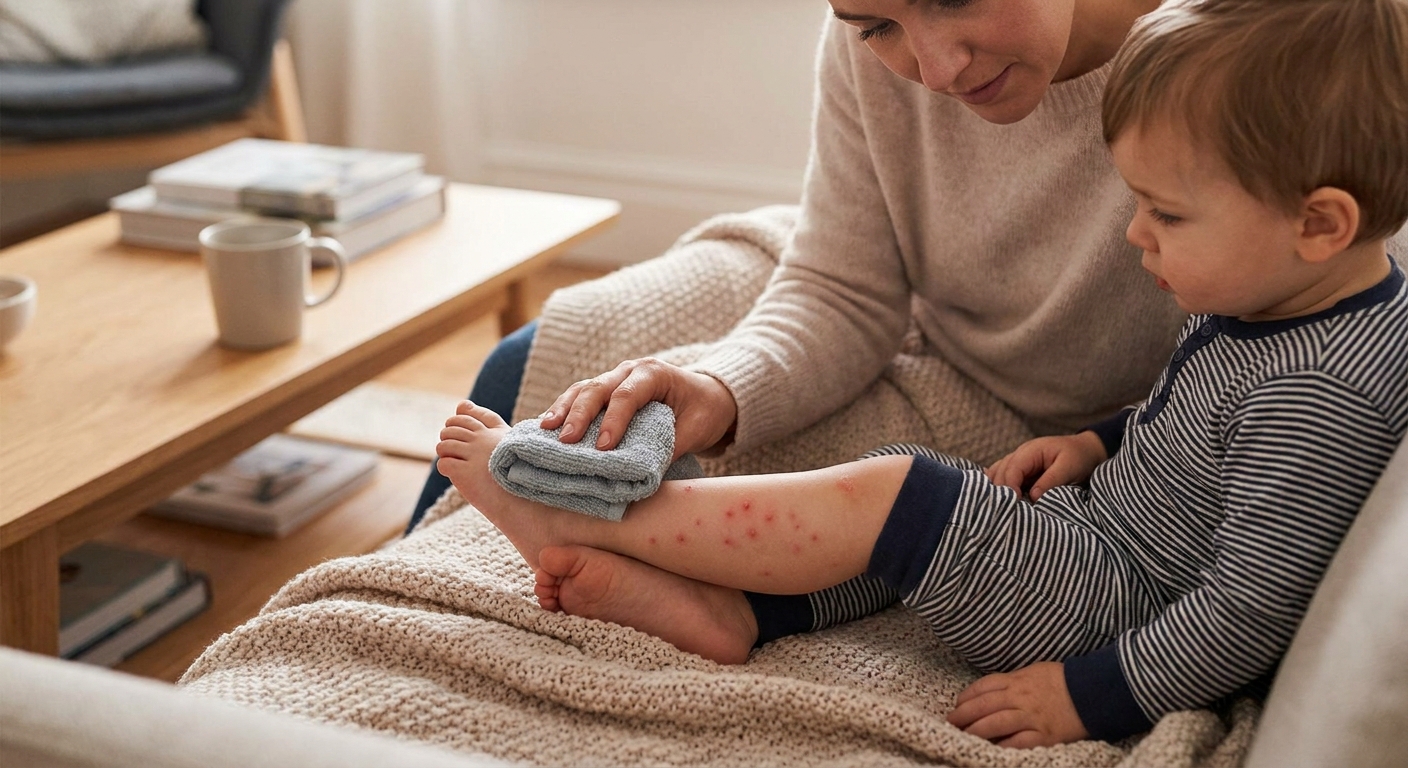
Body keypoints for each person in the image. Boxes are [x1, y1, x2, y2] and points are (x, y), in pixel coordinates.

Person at [435, 0, 1408, 749]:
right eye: (874, 26)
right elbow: (844, 282)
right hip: (1035, 455)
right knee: (537, 357)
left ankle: (591, 514)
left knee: (900, 494)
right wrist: (722, 387)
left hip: (1095, 568)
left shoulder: (1256, 97)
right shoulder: (1271, 299)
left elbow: (1245, 597)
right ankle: (736, 608)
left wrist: (1090, 694)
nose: (932, 69)